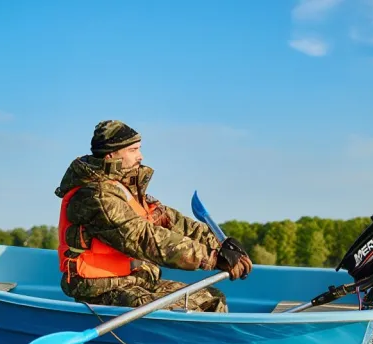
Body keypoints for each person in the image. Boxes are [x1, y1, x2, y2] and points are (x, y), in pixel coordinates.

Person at [55, 120, 253, 312]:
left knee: (212, 299)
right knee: (193, 307)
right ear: (110, 156)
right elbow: (142, 237)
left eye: (139, 149)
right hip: (101, 288)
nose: (140, 156)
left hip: (135, 281)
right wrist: (212, 257)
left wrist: (220, 245)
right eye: (133, 150)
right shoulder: (95, 197)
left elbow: (171, 221)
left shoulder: (124, 190)